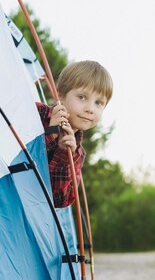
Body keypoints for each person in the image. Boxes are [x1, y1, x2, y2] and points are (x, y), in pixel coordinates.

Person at [36, 60, 113, 208]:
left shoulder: (77, 154)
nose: (90, 109)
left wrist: (64, 155)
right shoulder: (37, 113)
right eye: (82, 97)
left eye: (99, 103)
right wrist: (50, 134)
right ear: (59, 95)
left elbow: (59, 200)